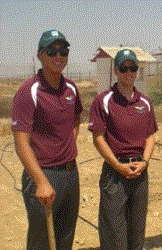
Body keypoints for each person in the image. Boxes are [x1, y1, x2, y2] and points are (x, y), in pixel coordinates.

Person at [12, 30, 82, 249]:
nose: (58, 56)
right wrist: (41, 182)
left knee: (65, 237)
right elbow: (21, 142)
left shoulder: (71, 88)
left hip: (70, 173)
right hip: (43, 174)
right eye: (52, 51)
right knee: (42, 241)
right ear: (40, 56)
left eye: (63, 51)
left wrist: (69, 143)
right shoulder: (28, 91)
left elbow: (76, 117)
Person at [88, 49, 157, 250]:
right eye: (124, 68)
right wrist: (117, 165)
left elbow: (150, 136)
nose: (129, 72)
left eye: (133, 68)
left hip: (139, 171)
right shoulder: (103, 100)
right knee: (113, 230)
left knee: (137, 231)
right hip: (115, 172)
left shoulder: (145, 102)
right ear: (116, 71)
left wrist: (144, 162)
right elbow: (98, 137)